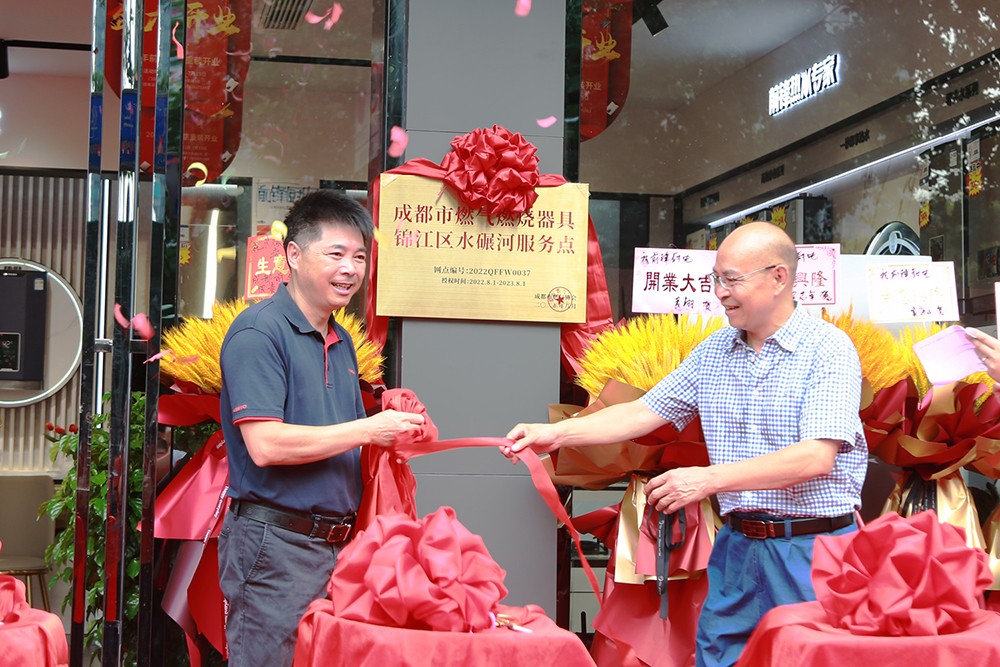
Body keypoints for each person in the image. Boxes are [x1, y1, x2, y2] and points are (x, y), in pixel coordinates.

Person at [503, 221, 867, 667]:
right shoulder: (714, 352)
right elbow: (643, 412)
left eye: (732, 279)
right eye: (716, 279)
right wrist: (556, 434)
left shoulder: (828, 349)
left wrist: (707, 480)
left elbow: (816, 457)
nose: (720, 292)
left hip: (812, 550)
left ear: (778, 277)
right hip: (738, 545)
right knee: (717, 657)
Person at [217, 189, 425, 666]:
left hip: (337, 546)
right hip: (275, 546)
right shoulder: (258, 333)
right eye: (336, 254)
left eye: (359, 257)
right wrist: (370, 430)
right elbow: (265, 445)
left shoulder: (342, 340)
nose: (350, 269)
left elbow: (346, 437)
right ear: (293, 255)